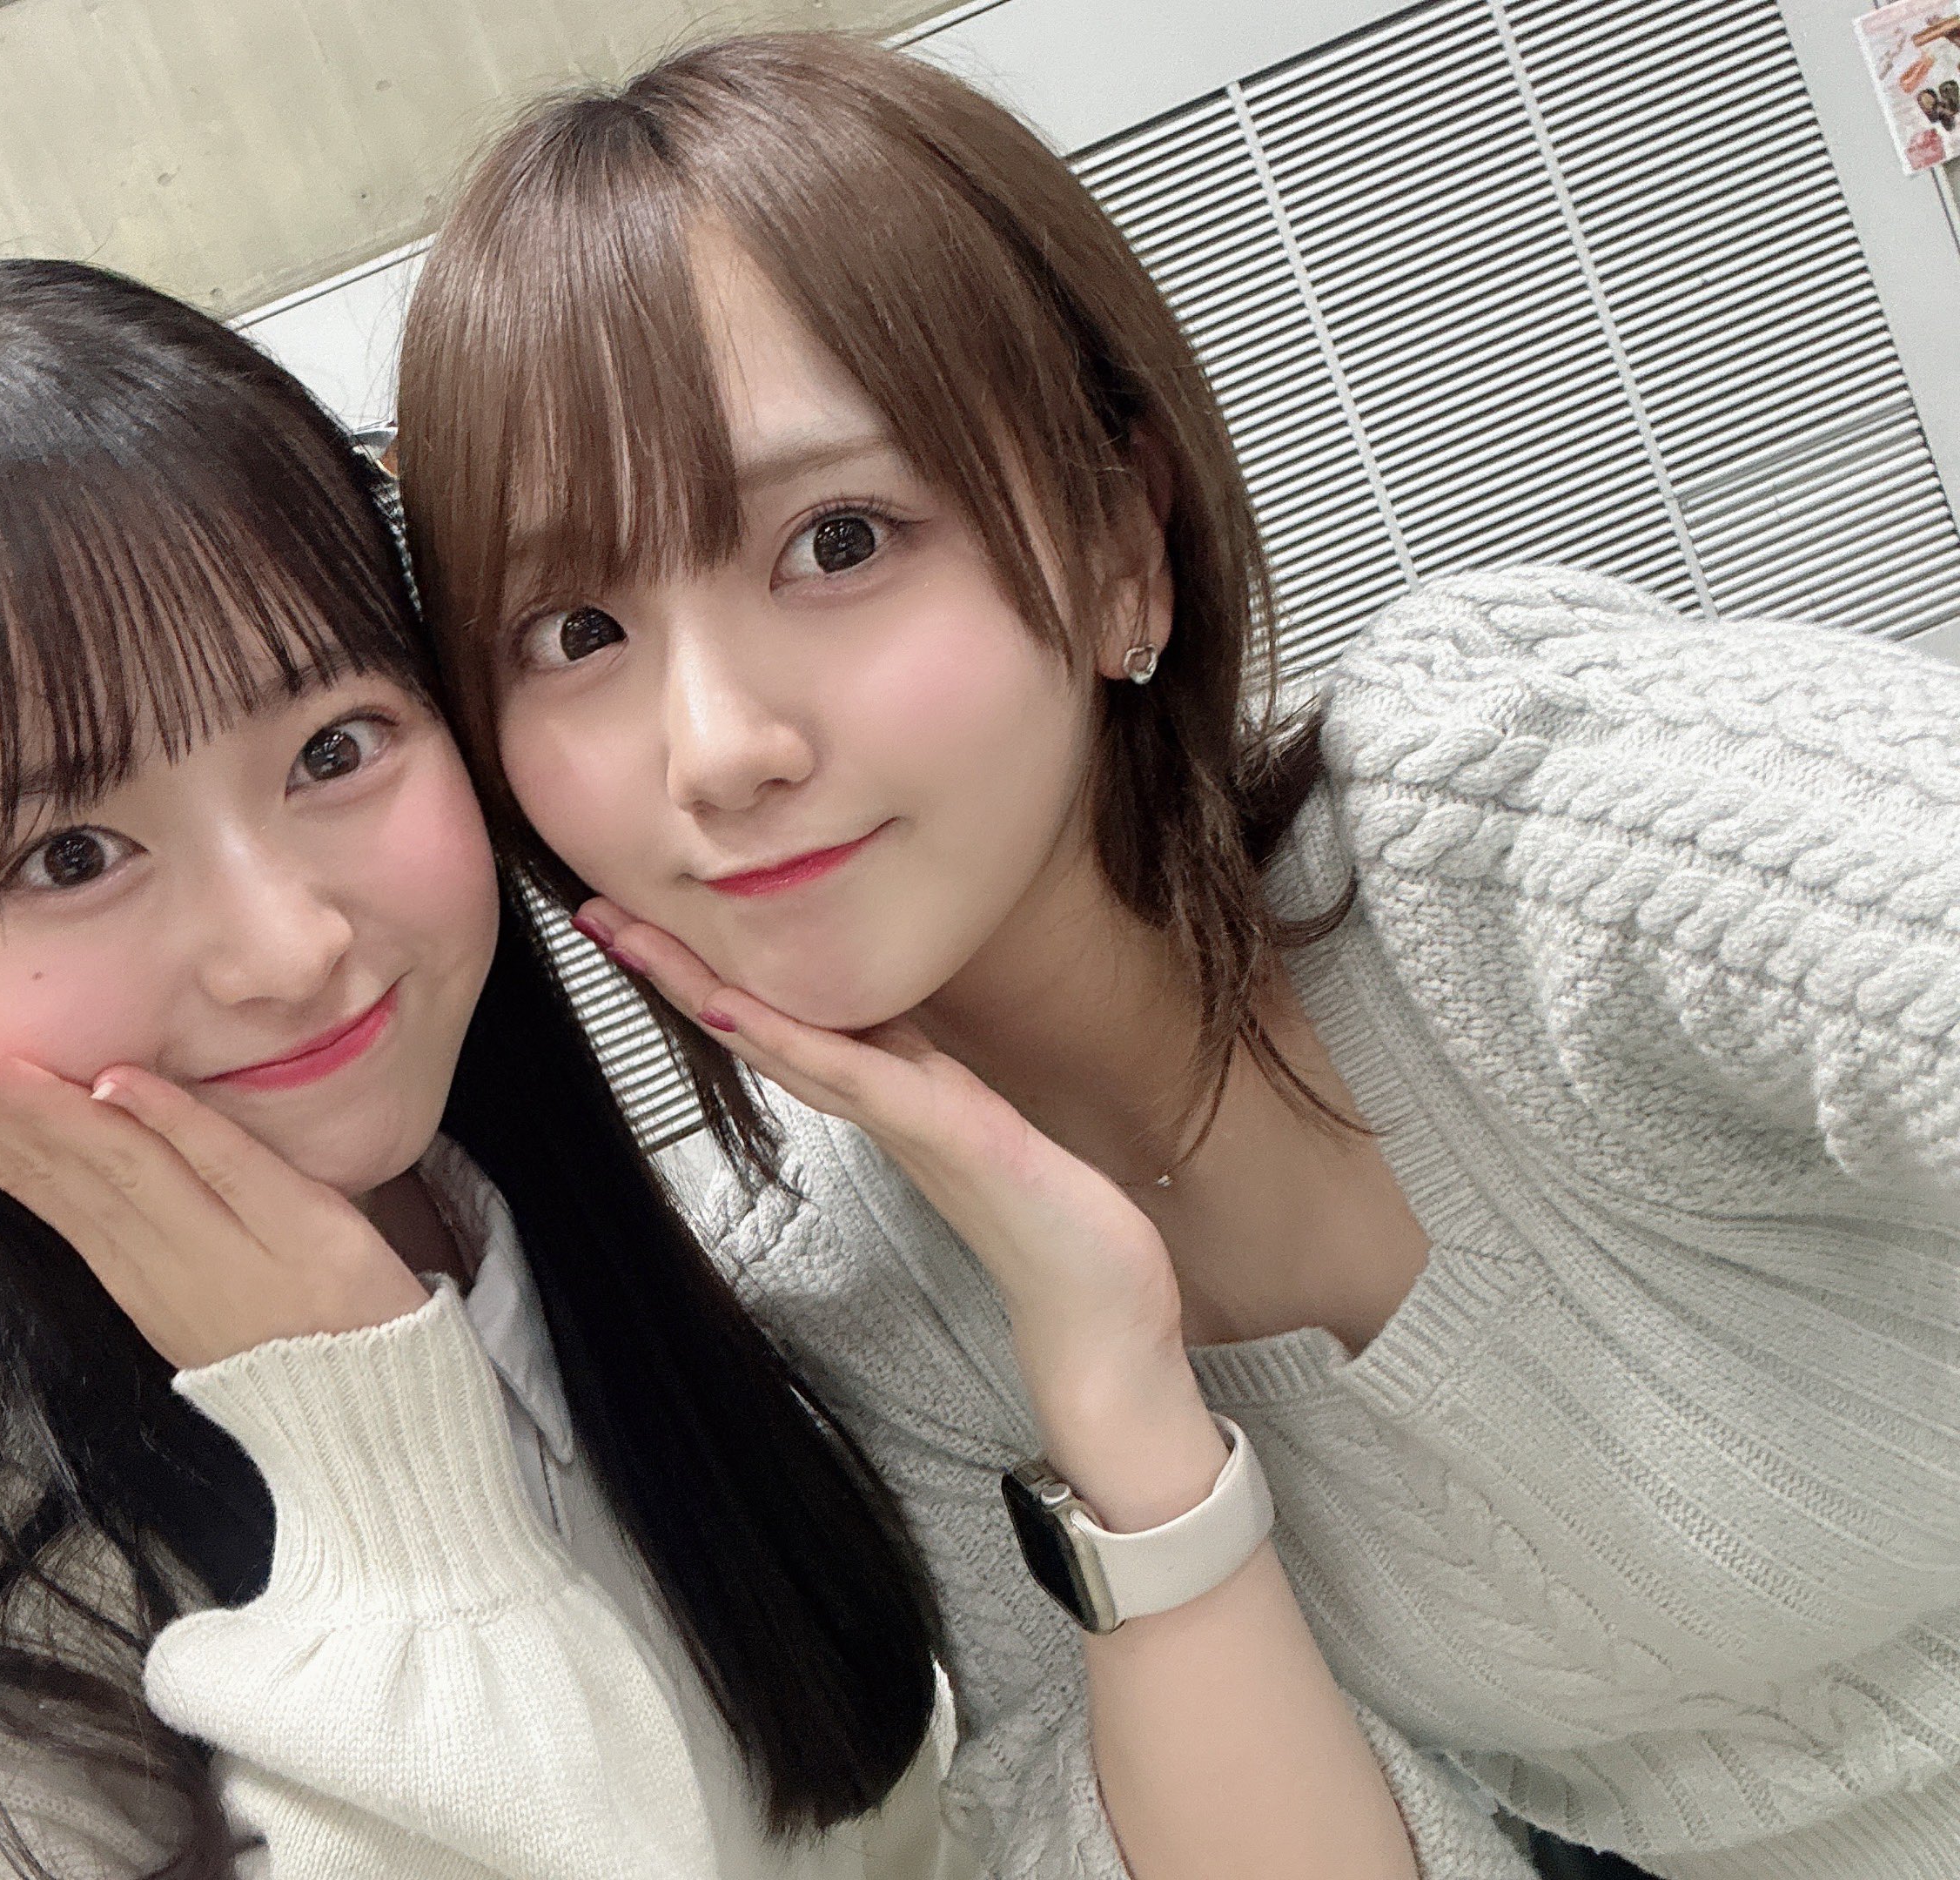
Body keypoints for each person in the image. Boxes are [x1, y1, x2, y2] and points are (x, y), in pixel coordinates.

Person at [393, 30, 1960, 1880]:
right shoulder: (871, 1295)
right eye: (576, 630)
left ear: (1121, 540)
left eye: (838, 539)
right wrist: (1115, 1394)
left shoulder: (1520, 834)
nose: (719, 747)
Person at [0, 258, 980, 1880]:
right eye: (70, 854)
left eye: (334, 748)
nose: (288, 947)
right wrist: (377, 1482)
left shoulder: (616, 1269)